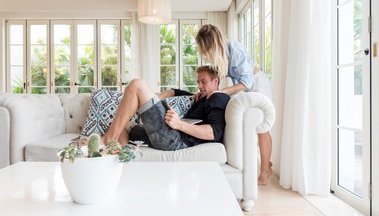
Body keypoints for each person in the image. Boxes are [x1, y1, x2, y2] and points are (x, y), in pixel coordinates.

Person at [196, 24, 273, 186]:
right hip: (242, 88)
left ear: (212, 44)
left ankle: (265, 168)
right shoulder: (219, 56)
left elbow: (247, 81)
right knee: (246, 128)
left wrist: (222, 92)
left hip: (256, 84)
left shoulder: (236, 50)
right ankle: (262, 163)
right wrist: (204, 92)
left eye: (205, 49)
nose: (204, 54)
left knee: (261, 127)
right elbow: (212, 80)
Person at [101, 66, 230, 151]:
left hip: (176, 139)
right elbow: (174, 91)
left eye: (203, 82)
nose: (199, 86)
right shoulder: (201, 98)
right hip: (166, 136)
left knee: (137, 84)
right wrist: (157, 98)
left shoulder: (218, 97)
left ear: (216, 81)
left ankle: (108, 139)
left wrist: (179, 124)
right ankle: (119, 149)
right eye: (198, 82)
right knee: (122, 122)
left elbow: (214, 132)